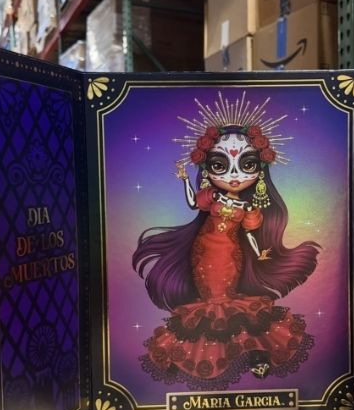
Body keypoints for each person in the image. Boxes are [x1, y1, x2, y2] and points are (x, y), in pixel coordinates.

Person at [132, 92, 319, 389]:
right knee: (209, 302)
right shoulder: (211, 197)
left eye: (247, 165)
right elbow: (193, 203)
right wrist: (184, 179)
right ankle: (211, 357)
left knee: (225, 303)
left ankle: (253, 354)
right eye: (220, 165)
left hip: (230, 255)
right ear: (207, 169)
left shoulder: (248, 207)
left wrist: (260, 253)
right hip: (203, 252)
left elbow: (250, 234)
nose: (234, 175)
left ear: (260, 171)